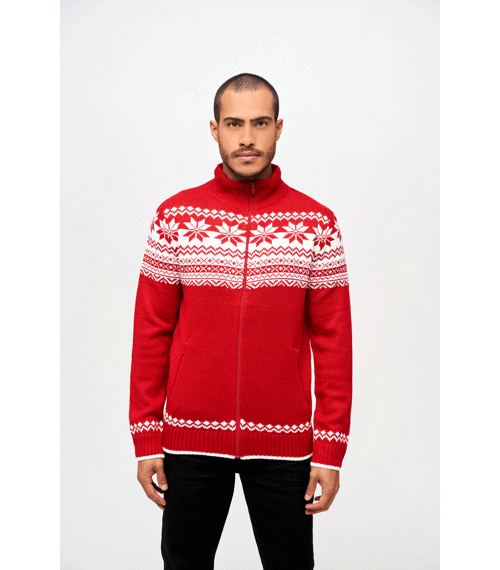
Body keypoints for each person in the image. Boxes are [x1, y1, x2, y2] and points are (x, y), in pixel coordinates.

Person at [129, 72, 353, 570]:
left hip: (285, 443)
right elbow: (151, 332)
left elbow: (334, 341)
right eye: (234, 124)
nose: (247, 138)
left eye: (260, 123)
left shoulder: (316, 224)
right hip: (188, 438)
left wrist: (329, 449)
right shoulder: (175, 218)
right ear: (215, 129)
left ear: (278, 128)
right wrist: (146, 437)